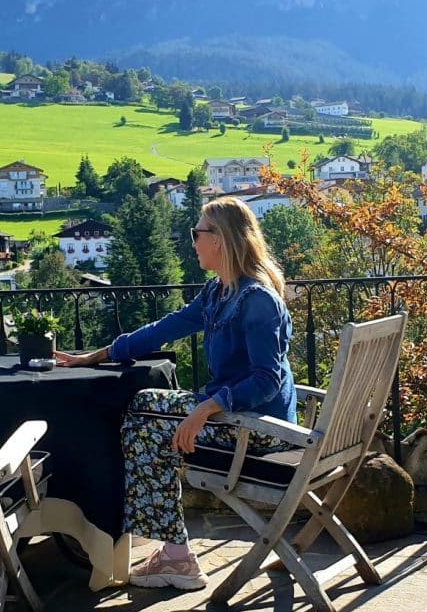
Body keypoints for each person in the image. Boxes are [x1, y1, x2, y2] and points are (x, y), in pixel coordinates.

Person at [56, 196, 295, 590]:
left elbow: (266, 380)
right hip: (235, 417)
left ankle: (176, 557)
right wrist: (94, 357)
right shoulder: (219, 292)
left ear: (220, 239)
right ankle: (173, 552)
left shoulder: (257, 301)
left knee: (142, 423)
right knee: (144, 410)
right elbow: (164, 329)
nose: (193, 241)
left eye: (197, 233)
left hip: (258, 429)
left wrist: (204, 410)